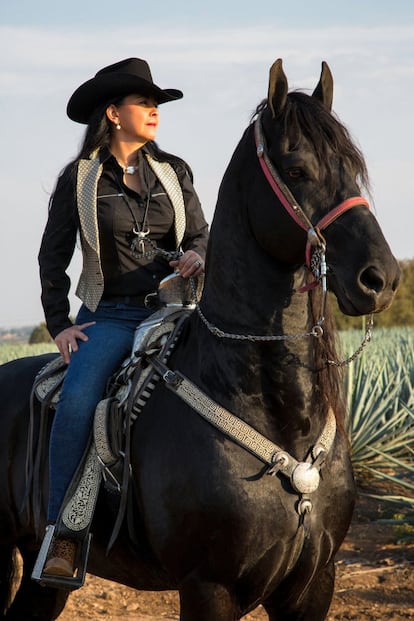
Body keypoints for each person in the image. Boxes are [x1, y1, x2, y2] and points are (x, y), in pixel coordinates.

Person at [37, 57, 209, 578]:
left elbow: (199, 234)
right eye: (144, 103)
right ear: (114, 113)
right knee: (79, 402)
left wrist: (197, 255)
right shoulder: (80, 178)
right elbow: (52, 256)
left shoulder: (174, 171)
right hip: (109, 317)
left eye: (157, 104)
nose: (154, 111)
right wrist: (59, 323)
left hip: (177, 310)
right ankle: (63, 535)